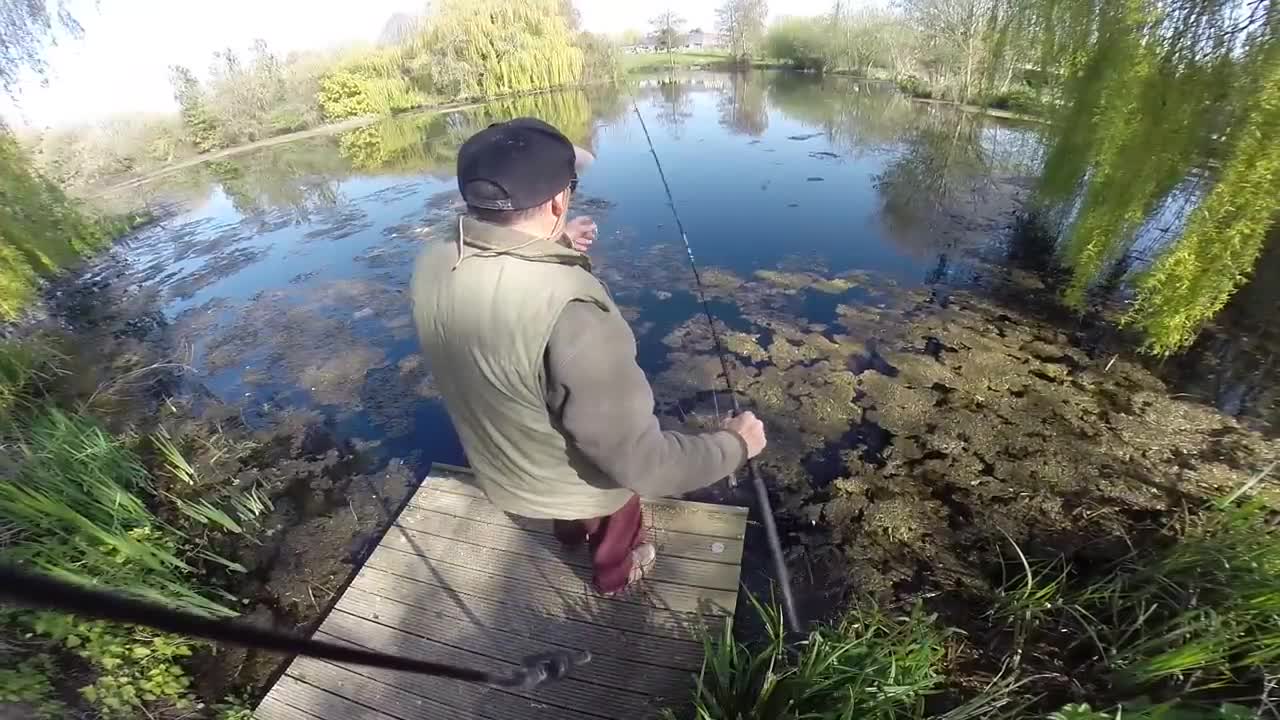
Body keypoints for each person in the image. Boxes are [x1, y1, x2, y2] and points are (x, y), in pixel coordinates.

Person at [411, 117, 767, 595]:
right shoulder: (576, 313)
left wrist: (549, 241)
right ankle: (615, 575)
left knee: (559, 427)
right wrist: (734, 445)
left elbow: (498, 279)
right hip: (569, 485)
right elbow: (644, 465)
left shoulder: (433, 261)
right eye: (571, 186)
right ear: (559, 200)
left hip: (501, 472)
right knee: (619, 497)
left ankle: (569, 534)